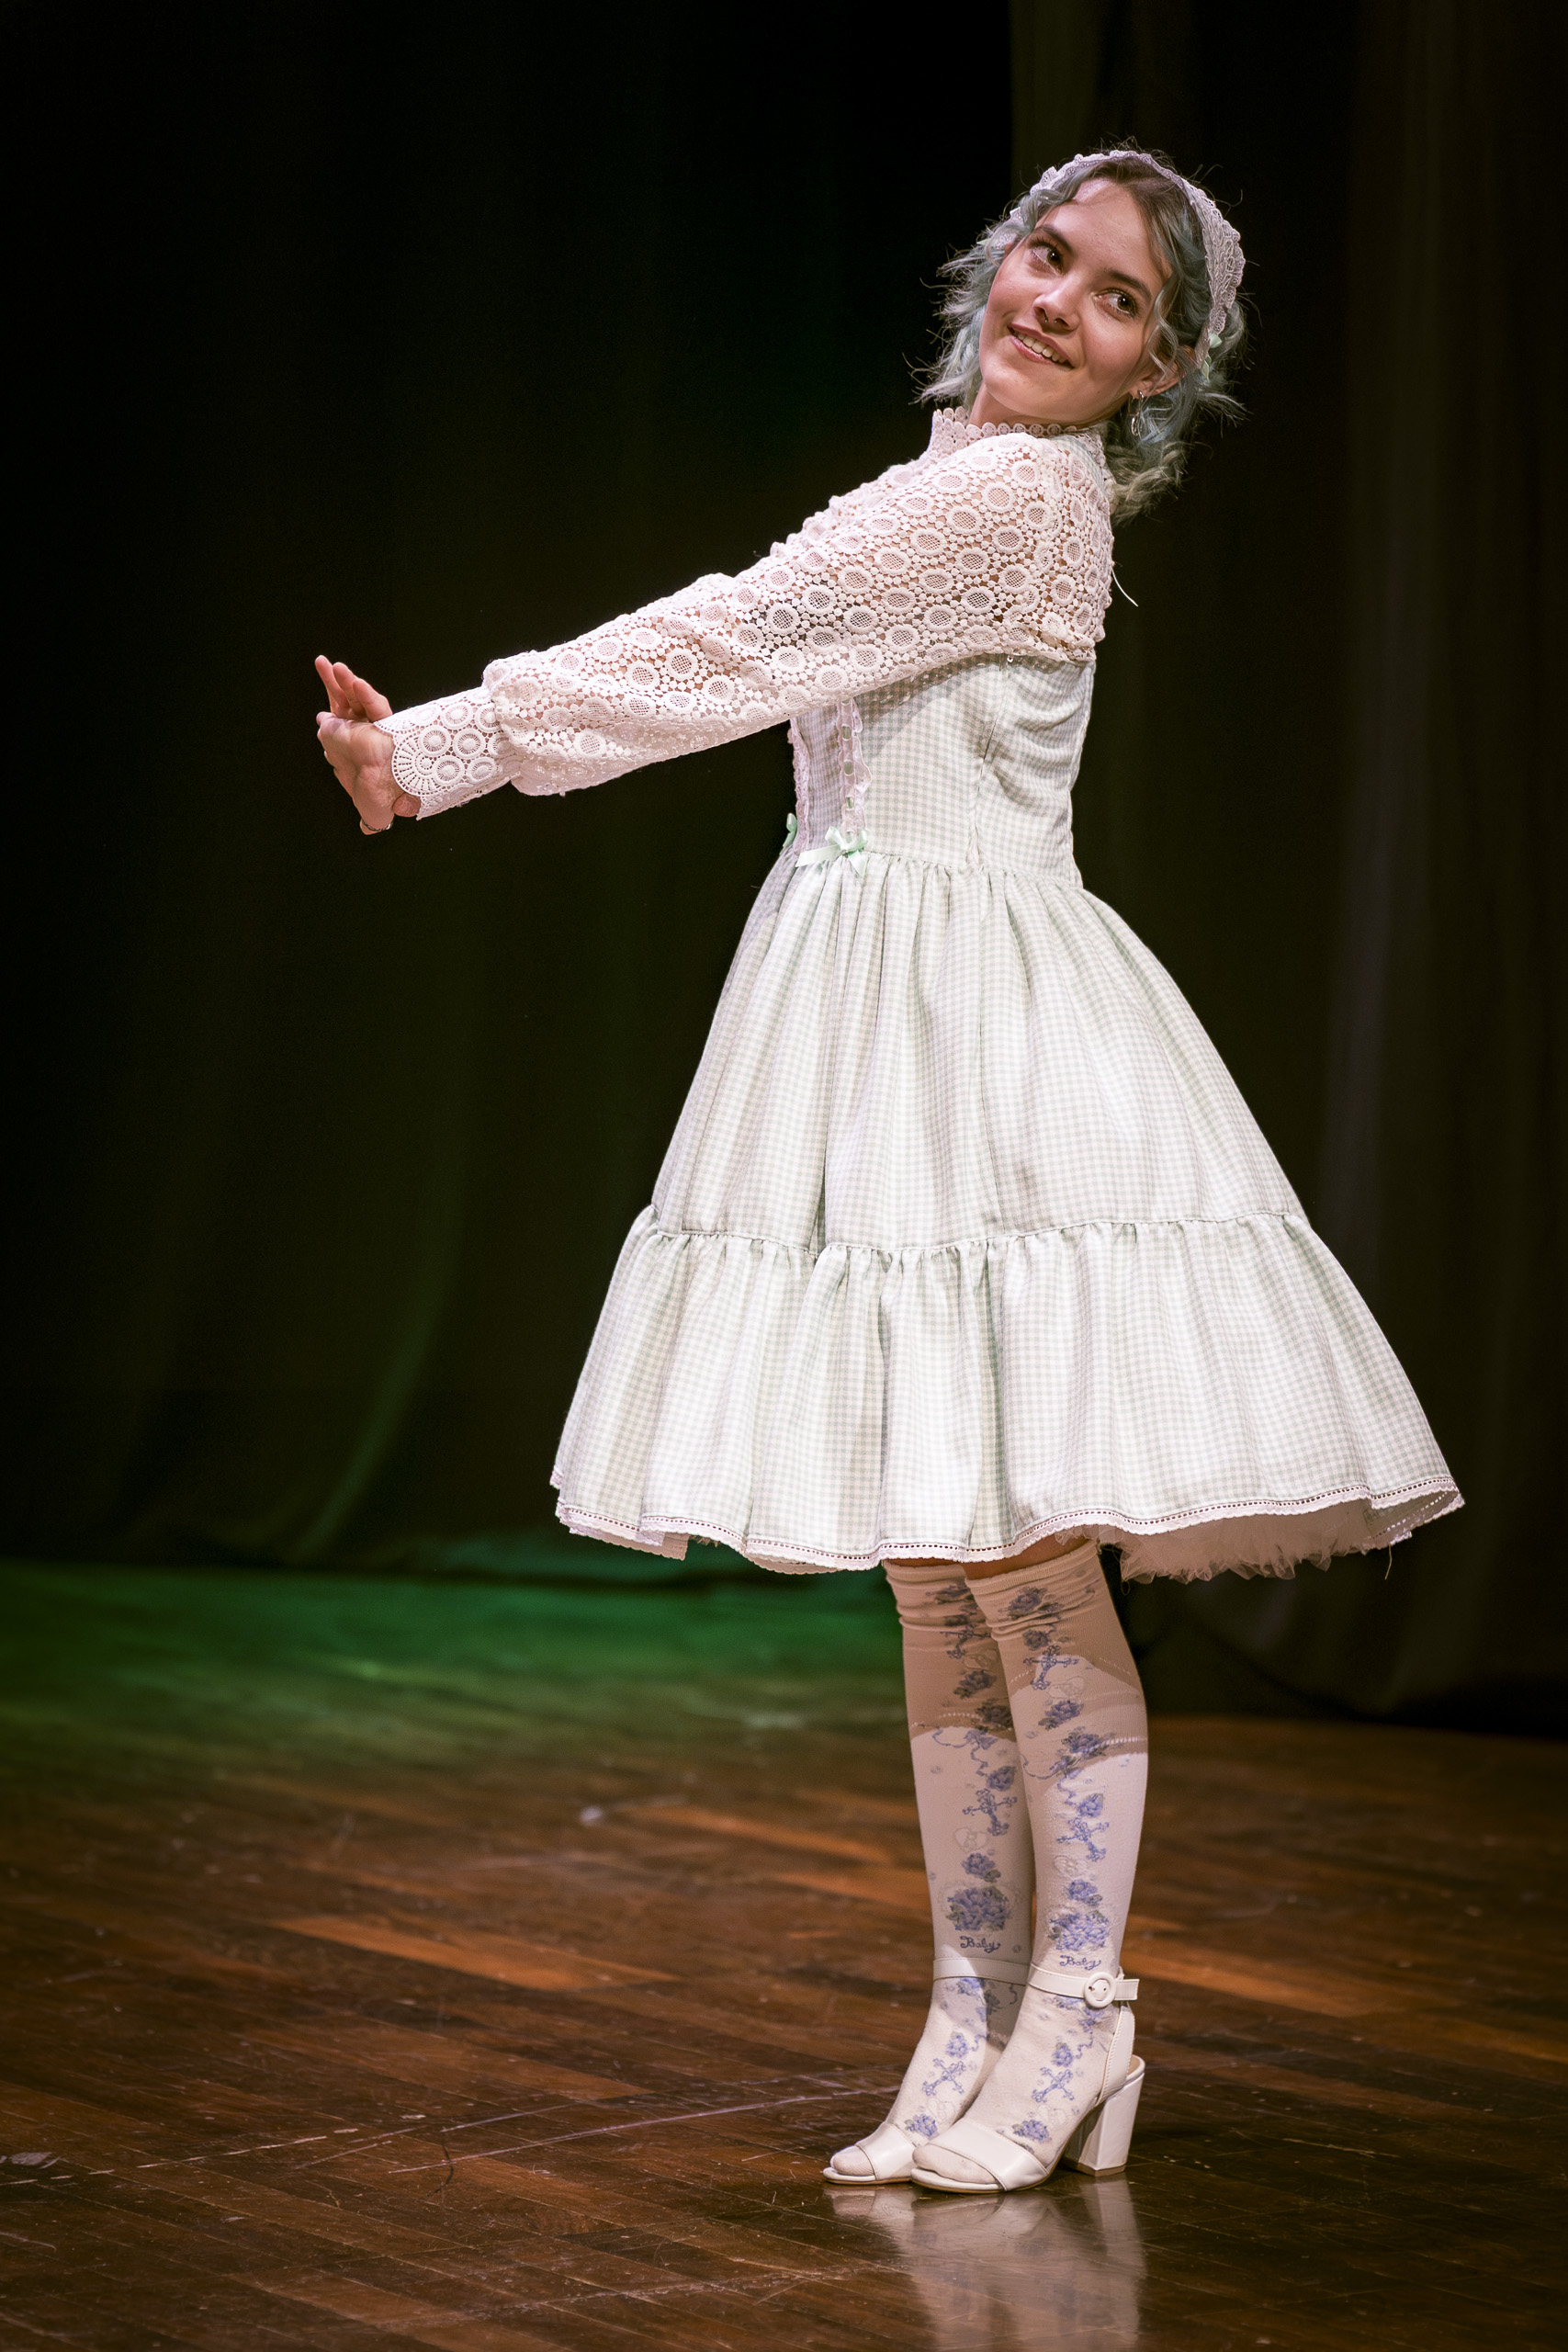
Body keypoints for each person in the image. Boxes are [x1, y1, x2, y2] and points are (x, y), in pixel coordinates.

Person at [314, 148, 1458, 2195]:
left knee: (1017, 1558)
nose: (1054, 301)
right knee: (942, 1563)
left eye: (1114, 298)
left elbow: (735, 636)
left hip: (978, 1035)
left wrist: (446, 745)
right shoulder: (963, 477)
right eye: (1048, 255)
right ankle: (967, 2015)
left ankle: (1077, 2014)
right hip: (877, 1003)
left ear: (1154, 368)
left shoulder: (1005, 500)